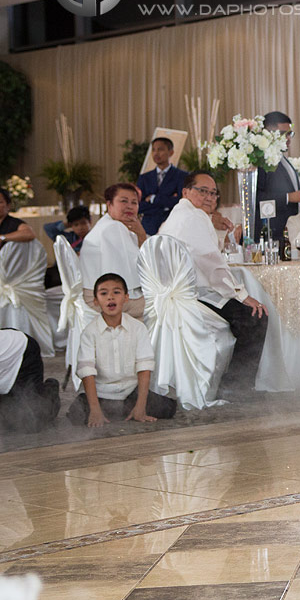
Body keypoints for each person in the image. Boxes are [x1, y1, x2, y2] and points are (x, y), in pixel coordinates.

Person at [161, 171, 269, 390]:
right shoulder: (193, 217)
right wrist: (242, 295)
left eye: (213, 193)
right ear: (185, 192)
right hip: (194, 296)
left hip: (178, 292)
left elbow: (206, 253)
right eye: (203, 191)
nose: (210, 197)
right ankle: (236, 387)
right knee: (255, 317)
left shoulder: (179, 214)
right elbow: (211, 264)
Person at [66, 273, 178, 426]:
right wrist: (95, 410)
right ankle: (106, 410)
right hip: (101, 393)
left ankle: (132, 409)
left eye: (116, 292)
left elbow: (144, 367)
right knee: (77, 415)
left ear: (126, 298)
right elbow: (87, 371)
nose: (110, 297)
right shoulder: (89, 332)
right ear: (96, 301)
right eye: (103, 293)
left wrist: (140, 406)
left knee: (168, 409)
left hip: (131, 392)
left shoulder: (138, 328)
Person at [80, 182, 147, 317]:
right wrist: (142, 235)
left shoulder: (110, 223)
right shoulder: (113, 228)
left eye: (134, 202)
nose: (129, 206)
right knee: (164, 305)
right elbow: (143, 264)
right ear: (109, 204)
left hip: (99, 293)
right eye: (123, 201)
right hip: (101, 300)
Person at [0, 330, 60, 434]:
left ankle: (50, 391)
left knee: (30, 423)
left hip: (23, 353)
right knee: (7, 418)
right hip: (5, 363)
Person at [255, 111, 300, 242]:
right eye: (282, 134)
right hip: (272, 233)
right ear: (267, 133)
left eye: (289, 134)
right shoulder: (260, 162)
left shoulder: (282, 159)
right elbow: (256, 197)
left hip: (288, 229)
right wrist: (288, 197)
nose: (288, 138)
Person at [136, 136, 188, 235]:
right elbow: (139, 206)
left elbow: (181, 203)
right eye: (153, 150)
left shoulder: (182, 176)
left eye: (160, 149)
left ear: (171, 152)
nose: (156, 153)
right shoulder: (144, 178)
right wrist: (166, 204)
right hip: (148, 228)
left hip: (172, 226)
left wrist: (153, 199)